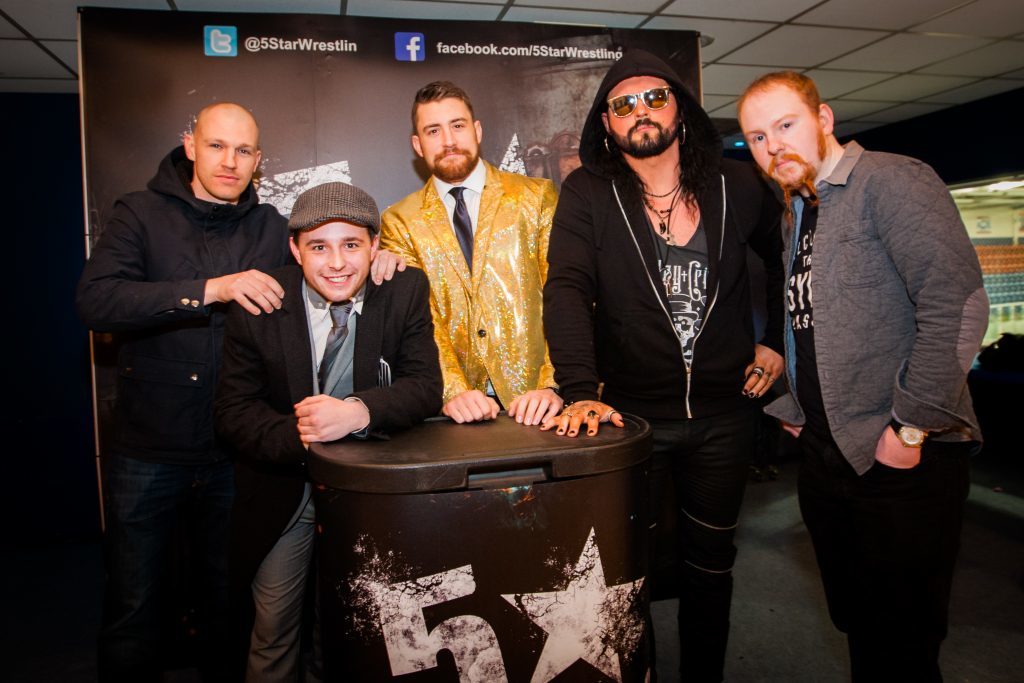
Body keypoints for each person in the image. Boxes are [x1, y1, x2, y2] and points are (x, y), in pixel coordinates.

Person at [541, 50, 785, 682]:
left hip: (724, 417)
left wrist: (778, 340)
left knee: (712, 563)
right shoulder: (588, 193)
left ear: (681, 107)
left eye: (654, 97)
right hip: (631, 418)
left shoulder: (738, 185)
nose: (640, 111)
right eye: (623, 104)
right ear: (606, 124)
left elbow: (787, 258)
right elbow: (565, 290)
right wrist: (577, 390)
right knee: (628, 569)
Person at [737, 71, 987, 681]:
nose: (775, 147)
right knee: (859, 624)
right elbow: (815, 320)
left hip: (904, 460)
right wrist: (798, 408)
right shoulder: (798, 207)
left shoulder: (893, 181)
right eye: (758, 137)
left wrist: (908, 431)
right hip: (828, 456)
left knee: (901, 643)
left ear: (823, 120)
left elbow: (959, 309)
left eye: (786, 125)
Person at [76, 102, 291, 682]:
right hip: (148, 450)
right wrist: (209, 289)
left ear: (259, 161)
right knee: (133, 607)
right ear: (189, 144)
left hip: (235, 454)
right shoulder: (139, 214)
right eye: (217, 145)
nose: (230, 161)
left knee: (228, 606)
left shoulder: (272, 225)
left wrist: (380, 259)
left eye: (244, 150)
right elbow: (96, 303)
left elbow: (327, 273)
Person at [214, 182, 442, 682]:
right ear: (295, 249)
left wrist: (358, 412)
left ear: (375, 246)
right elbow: (233, 410)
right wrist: (304, 432)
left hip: (372, 496)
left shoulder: (402, 289)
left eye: (352, 245)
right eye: (319, 246)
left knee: (364, 630)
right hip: (284, 494)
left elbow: (425, 387)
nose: (337, 262)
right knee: (273, 629)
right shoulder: (260, 304)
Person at [380, 81, 562, 426]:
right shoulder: (399, 222)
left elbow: (564, 296)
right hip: (453, 414)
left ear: (477, 130)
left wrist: (552, 383)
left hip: (539, 403)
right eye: (433, 130)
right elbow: (420, 317)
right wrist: (452, 390)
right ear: (418, 145)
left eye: (458, 126)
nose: (448, 141)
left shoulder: (535, 198)